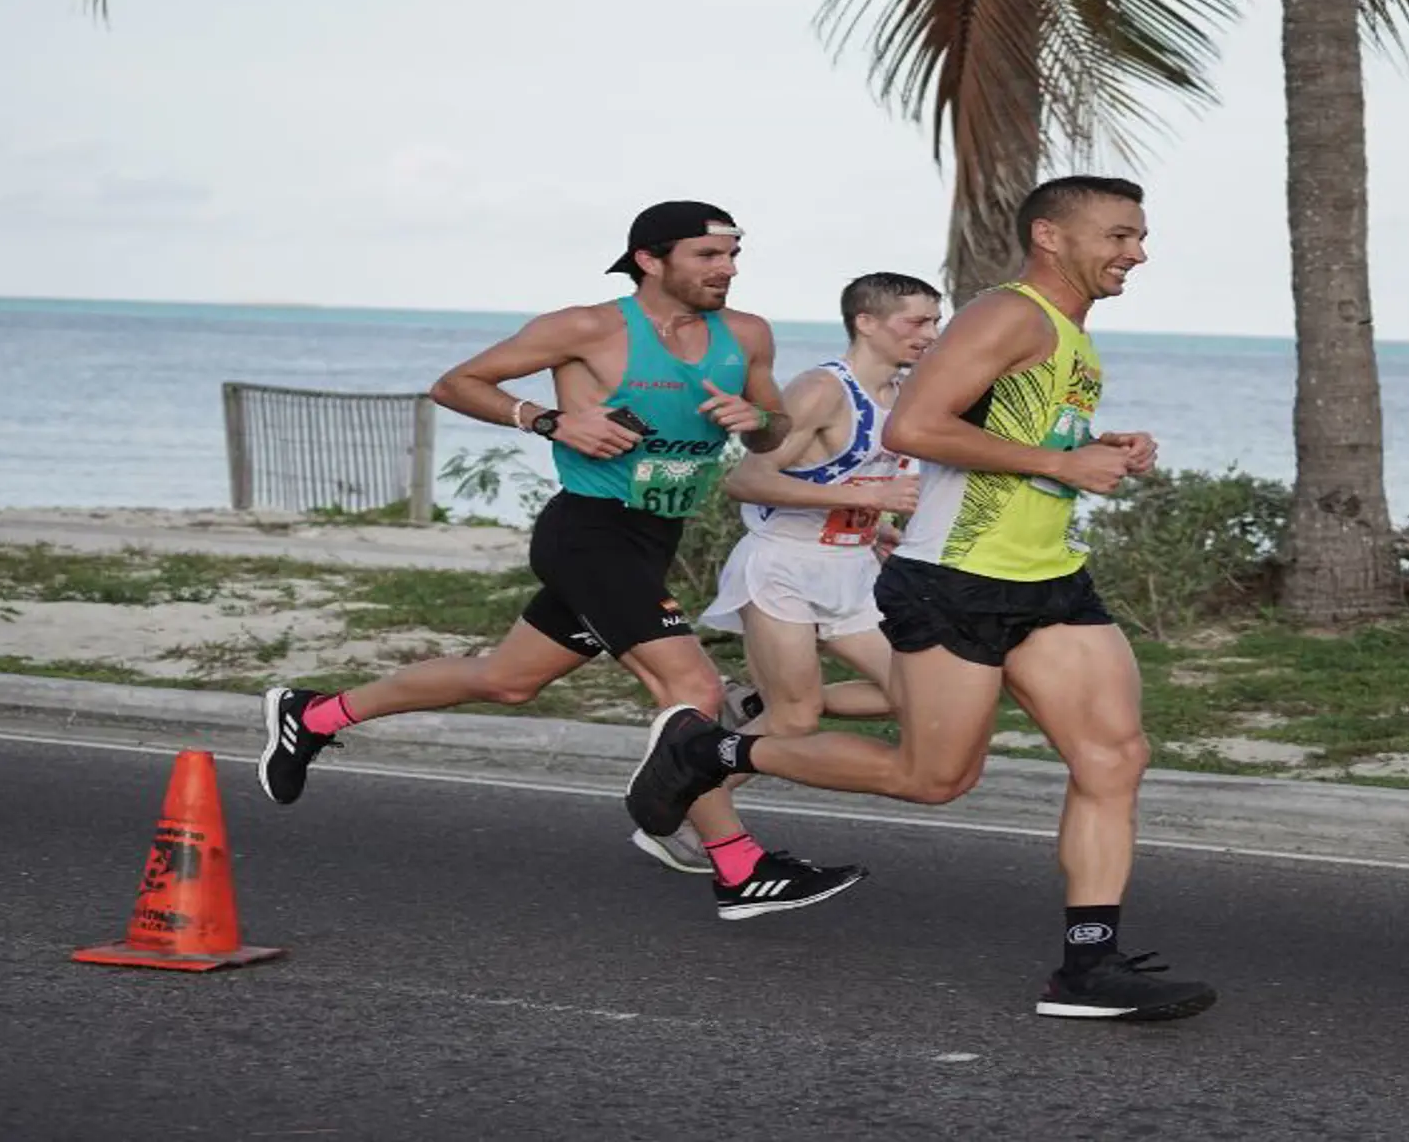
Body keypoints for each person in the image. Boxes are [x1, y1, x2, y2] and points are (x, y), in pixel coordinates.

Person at [625, 176, 1217, 1020]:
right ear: (1051, 236)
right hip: (956, 579)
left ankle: (1090, 968)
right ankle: (706, 754)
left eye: (1140, 236)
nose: (1137, 252)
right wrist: (1060, 465)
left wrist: (1094, 444)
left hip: (1048, 577)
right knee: (934, 779)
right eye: (1120, 235)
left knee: (1115, 757)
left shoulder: (1070, 338)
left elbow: (1003, 431)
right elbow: (914, 428)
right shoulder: (1006, 314)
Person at [258, 200, 867, 922]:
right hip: (587, 533)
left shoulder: (746, 336)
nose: (727, 270)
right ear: (650, 258)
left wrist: (755, 421)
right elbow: (456, 383)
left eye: (734, 255)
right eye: (709, 256)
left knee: (508, 680)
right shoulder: (588, 328)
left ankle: (315, 715)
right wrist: (548, 420)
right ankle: (738, 867)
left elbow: (773, 432)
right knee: (693, 690)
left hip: (652, 539)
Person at [698, 273, 943, 745]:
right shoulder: (821, 389)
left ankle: (752, 704)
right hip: (783, 564)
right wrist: (868, 500)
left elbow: (854, 475)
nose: (930, 335)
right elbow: (747, 479)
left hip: (852, 566)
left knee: (919, 695)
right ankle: (683, 800)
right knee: (795, 721)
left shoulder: (904, 395)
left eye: (935, 322)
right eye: (916, 323)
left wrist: (871, 526)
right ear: (867, 322)